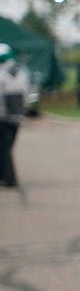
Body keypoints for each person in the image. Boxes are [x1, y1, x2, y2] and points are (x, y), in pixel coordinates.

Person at [0, 43, 30, 187]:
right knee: (7, 147)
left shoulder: (1, 74)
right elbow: (27, 96)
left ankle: (9, 179)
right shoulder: (22, 73)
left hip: (3, 117)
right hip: (17, 117)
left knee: (4, 149)